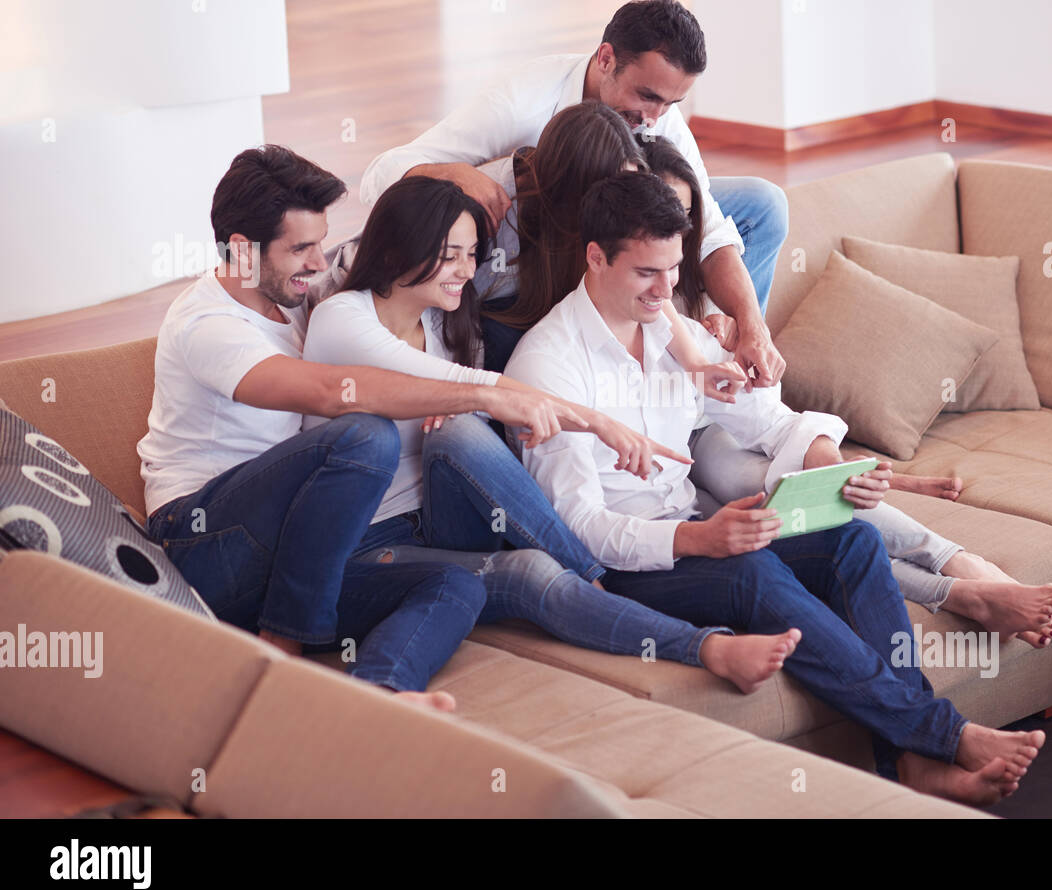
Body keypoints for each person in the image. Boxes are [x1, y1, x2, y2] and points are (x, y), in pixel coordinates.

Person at [505, 171, 1048, 806]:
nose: (666, 289)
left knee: (850, 543)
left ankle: (909, 757)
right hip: (628, 565)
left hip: (699, 530)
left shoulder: (669, 333)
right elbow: (578, 526)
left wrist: (835, 467)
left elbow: (765, 419)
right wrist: (698, 538)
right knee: (752, 576)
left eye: (674, 270)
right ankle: (942, 737)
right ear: (595, 258)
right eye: (647, 273)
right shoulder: (549, 365)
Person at [138, 145, 602, 712]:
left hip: (295, 551)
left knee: (458, 583)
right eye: (301, 248)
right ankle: (284, 657)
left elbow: (397, 246)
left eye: (319, 241)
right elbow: (333, 394)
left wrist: (450, 177)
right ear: (241, 250)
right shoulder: (207, 324)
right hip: (206, 542)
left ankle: (380, 699)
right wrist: (479, 392)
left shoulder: (294, 297)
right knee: (365, 436)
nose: (317, 261)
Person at [301, 174, 801, 692]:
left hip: (442, 518)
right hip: (373, 539)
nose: (467, 272)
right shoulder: (342, 318)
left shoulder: (450, 325)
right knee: (524, 566)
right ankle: (666, 624)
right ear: (396, 248)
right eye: (450, 255)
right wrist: (599, 422)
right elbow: (476, 387)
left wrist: (692, 354)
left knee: (460, 435)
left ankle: (589, 578)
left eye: (473, 255)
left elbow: (479, 396)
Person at [640, 135, 1052, 647]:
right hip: (670, 462)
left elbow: (762, 412)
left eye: (688, 217)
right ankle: (960, 589)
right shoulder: (617, 308)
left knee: (758, 484)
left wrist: (824, 460)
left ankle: (959, 564)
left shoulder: (703, 280)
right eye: (664, 217)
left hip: (720, 424)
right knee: (770, 519)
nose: (679, 232)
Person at [359, 0, 789, 387]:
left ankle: (738, 353)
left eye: (670, 104)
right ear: (605, 58)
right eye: (647, 96)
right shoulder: (519, 102)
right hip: (529, 258)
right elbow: (379, 176)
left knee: (761, 204)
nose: (655, 119)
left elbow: (709, 225)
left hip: (609, 234)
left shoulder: (657, 118)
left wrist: (748, 322)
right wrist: (453, 172)